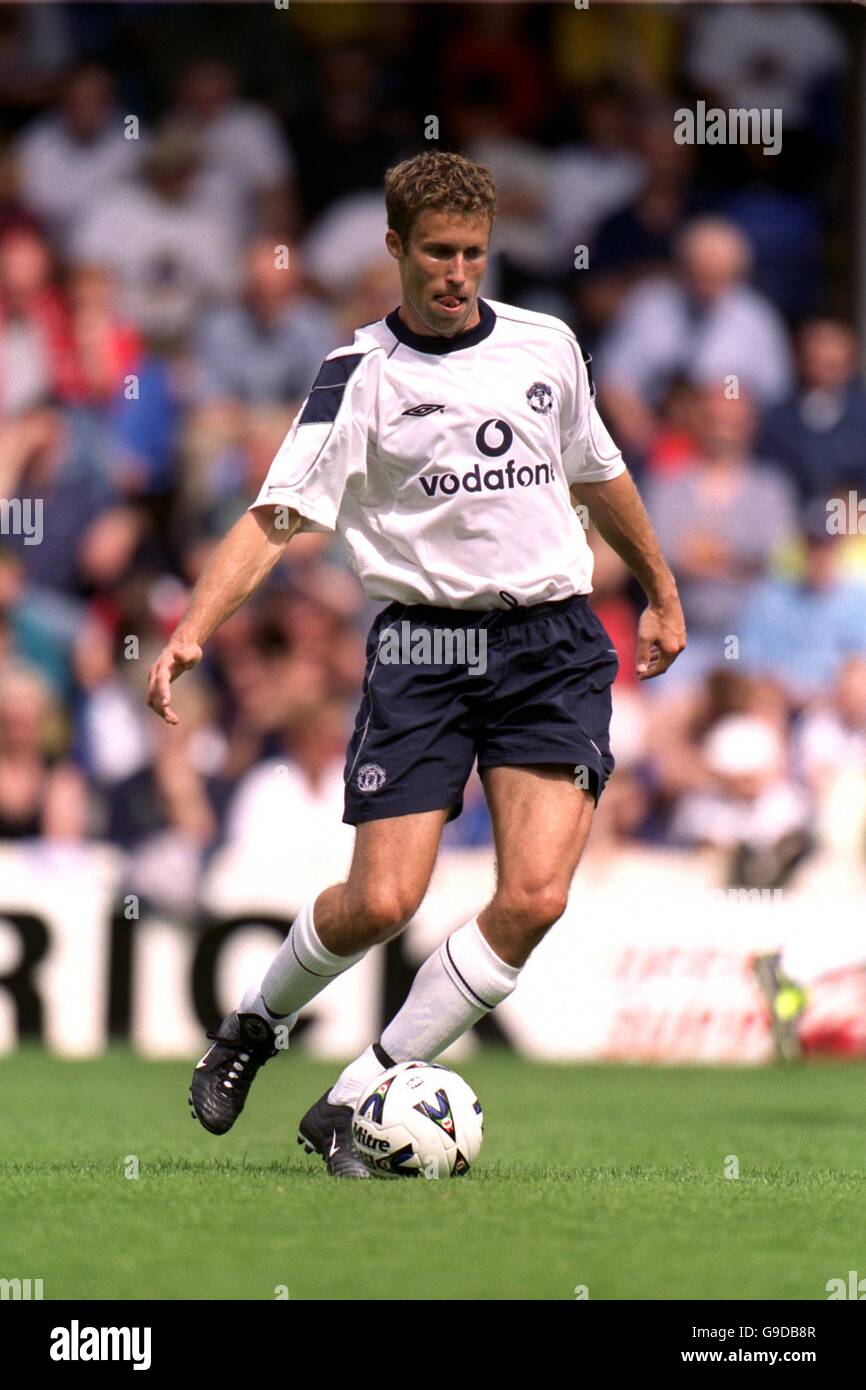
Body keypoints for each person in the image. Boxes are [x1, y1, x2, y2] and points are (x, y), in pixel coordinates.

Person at [146, 151, 686, 1177]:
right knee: (380, 901)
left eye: (473, 254)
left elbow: (599, 470)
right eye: (436, 252)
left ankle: (353, 1096)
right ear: (393, 248)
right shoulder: (358, 376)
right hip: (424, 647)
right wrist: (192, 627)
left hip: (551, 637)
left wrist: (659, 589)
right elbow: (272, 518)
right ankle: (252, 1026)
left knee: (532, 897)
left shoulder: (545, 344)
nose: (456, 272)